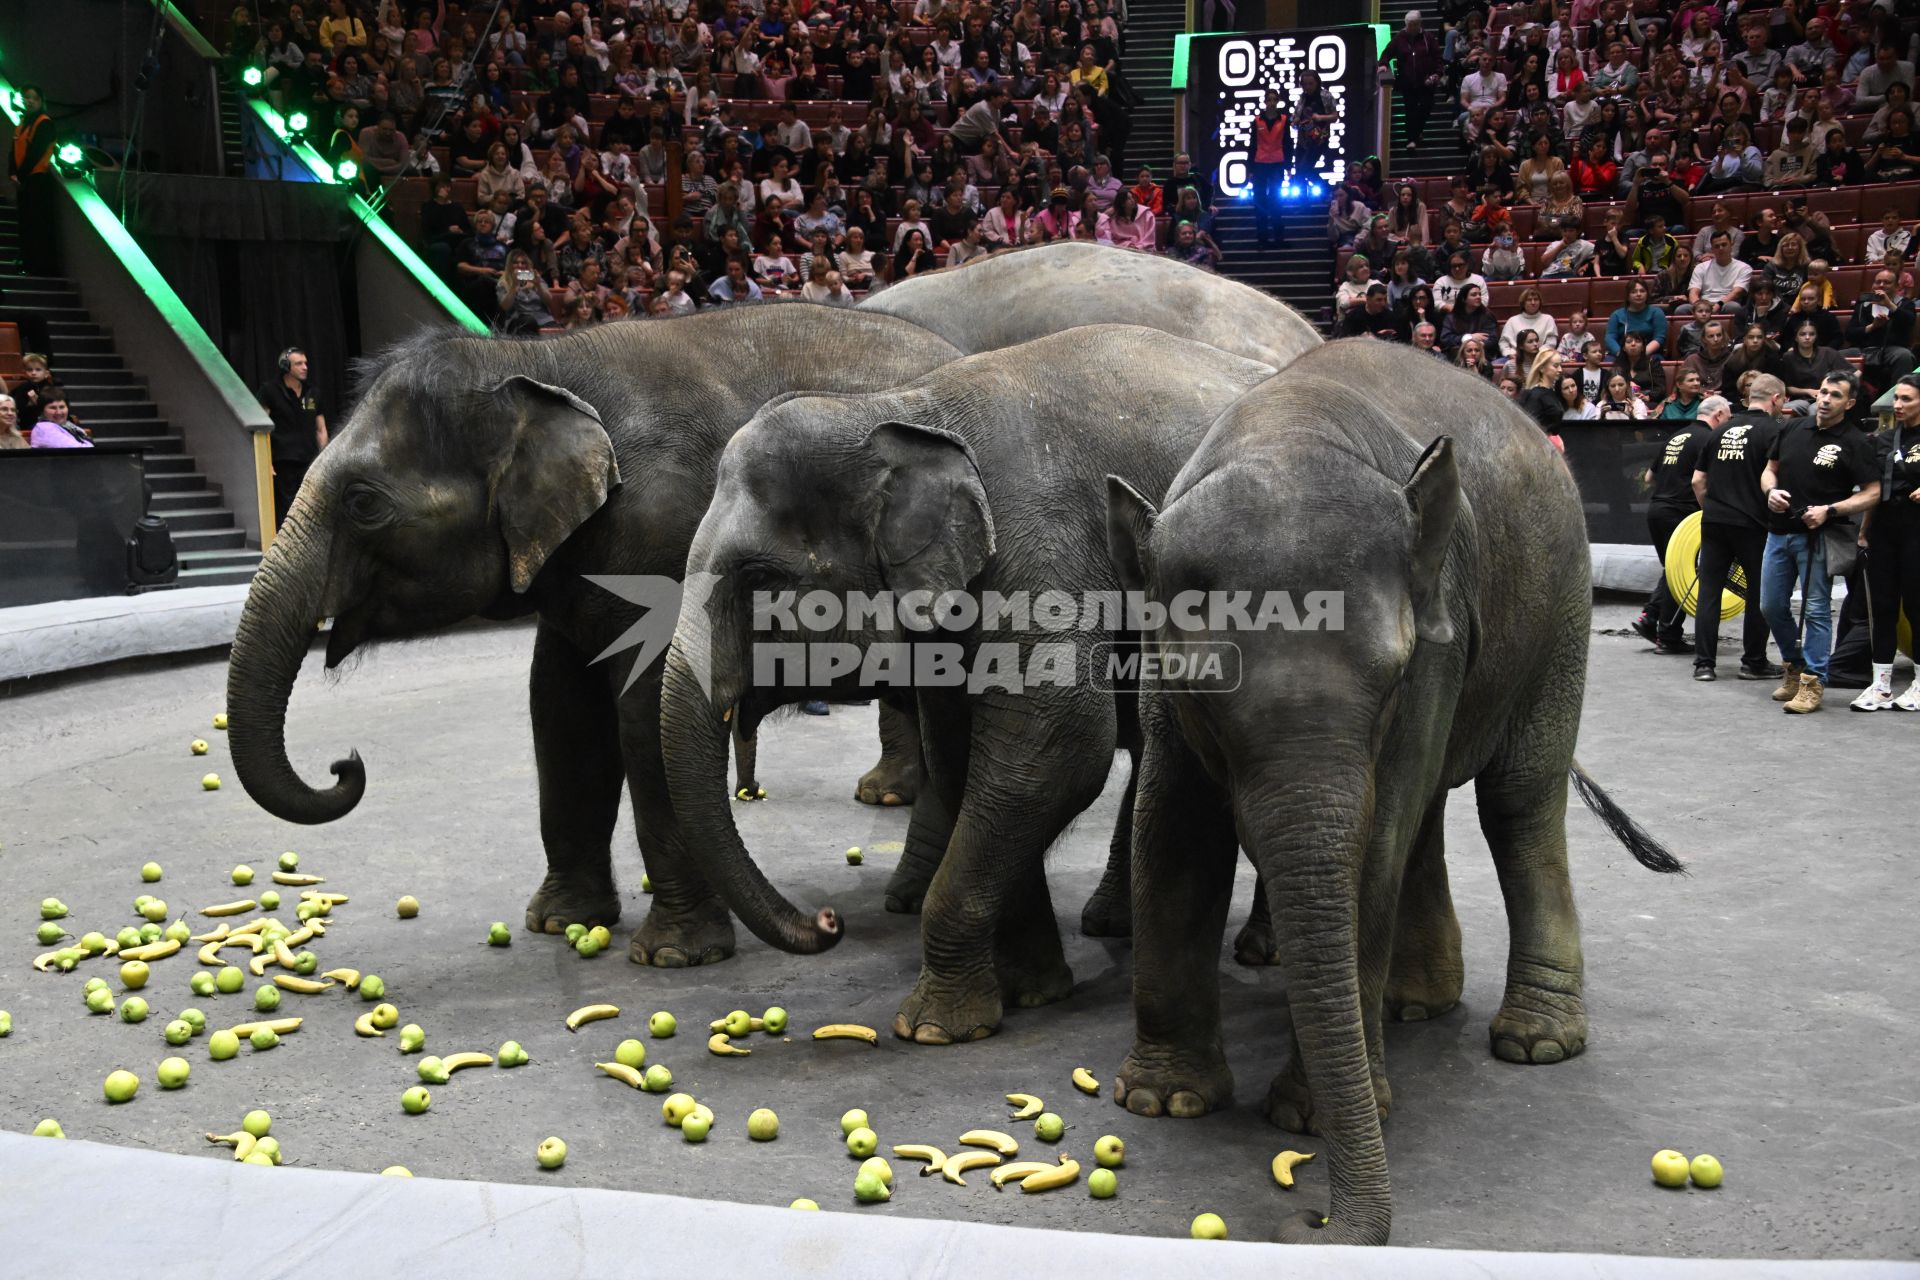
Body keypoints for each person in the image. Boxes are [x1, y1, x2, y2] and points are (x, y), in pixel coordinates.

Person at [1759, 372, 1883, 714]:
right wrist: (1771, 491)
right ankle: (1794, 665)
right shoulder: (1791, 428)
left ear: (1850, 403)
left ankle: (1813, 682)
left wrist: (1830, 510)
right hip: (1778, 532)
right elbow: (1769, 470)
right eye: (1824, 392)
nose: (1826, 399)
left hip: (1819, 537)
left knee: (1816, 610)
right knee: (1770, 606)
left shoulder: (1855, 441)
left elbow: (1873, 493)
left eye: (1836, 395)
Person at [1690, 374, 1790, 682]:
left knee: (1709, 592)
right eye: (1783, 400)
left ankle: (1704, 665)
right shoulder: (1774, 430)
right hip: (1753, 524)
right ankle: (1753, 662)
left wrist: (1712, 510)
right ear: (1775, 398)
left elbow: (1697, 480)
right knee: (1758, 593)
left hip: (1714, 521)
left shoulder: (1720, 430)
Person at [1633, 395, 1727, 653]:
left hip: (1657, 509)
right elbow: (1701, 481)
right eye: (1727, 419)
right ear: (1718, 415)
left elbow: (1649, 477)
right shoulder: (1710, 439)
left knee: (1673, 570)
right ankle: (1668, 635)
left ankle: (1650, 616)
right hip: (1681, 513)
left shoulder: (1677, 436)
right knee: (1681, 572)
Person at [1853, 376, 1920, 710]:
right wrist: (1864, 531)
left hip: (1916, 529)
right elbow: (1874, 490)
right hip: (1884, 530)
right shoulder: (1883, 440)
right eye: (1896, 399)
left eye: (1906, 399)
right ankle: (1880, 686)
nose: (1898, 405)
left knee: (1916, 607)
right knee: (1883, 608)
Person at [256, 348, 328, 528]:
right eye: (299, 364)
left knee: (310, 507)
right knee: (287, 510)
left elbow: (321, 429)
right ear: (286, 366)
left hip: (309, 461)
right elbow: (261, 427)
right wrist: (266, 461)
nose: (305, 367)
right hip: (283, 461)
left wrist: (324, 459)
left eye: (306, 363)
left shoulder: (312, 392)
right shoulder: (270, 391)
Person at [10, 85, 59, 275]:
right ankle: (26, 260)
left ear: (41, 102)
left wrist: (20, 175)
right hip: (25, 181)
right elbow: (14, 150)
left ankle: (38, 265)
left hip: (37, 180)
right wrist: (12, 173)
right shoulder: (23, 123)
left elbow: (36, 152)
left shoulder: (44, 123)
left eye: (34, 98)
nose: (29, 101)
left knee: (36, 224)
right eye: (26, 97)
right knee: (25, 222)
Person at [1382, 11, 1444, 151]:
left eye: (1415, 24)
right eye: (1410, 24)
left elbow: (1437, 57)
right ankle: (1411, 139)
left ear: (1420, 24)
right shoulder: (1399, 38)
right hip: (1407, 82)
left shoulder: (1428, 38)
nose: (1413, 27)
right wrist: (1383, 64)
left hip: (1427, 81)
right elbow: (1386, 53)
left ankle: (1417, 131)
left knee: (1427, 106)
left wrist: (1437, 73)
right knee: (1410, 110)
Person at [1249, 87, 1290, 250]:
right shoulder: (1257, 120)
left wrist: (1289, 166)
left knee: (1276, 200)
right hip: (1260, 163)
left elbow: (1288, 143)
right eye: (1269, 100)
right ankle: (1262, 239)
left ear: (1278, 101)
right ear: (1265, 101)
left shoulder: (1284, 119)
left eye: (1274, 99)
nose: (1271, 103)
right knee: (1259, 201)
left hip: (1277, 163)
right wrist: (1250, 169)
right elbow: (1252, 145)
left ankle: (1279, 238)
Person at [1336, 282, 1411, 341]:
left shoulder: (1391, 317)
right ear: (1368, 299)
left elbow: (1400, 340)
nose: (1383, 303)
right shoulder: (1353, 316)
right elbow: (1344, 340)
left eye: (1385, 299)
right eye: (1379, 300)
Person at [1517, 348, 1566, 439]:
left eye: (1560, 365)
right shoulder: (1536, 395)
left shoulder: (1551, 392)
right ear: (1542, 368)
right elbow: (1529, 428)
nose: (1560, 369)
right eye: (1555, 366)